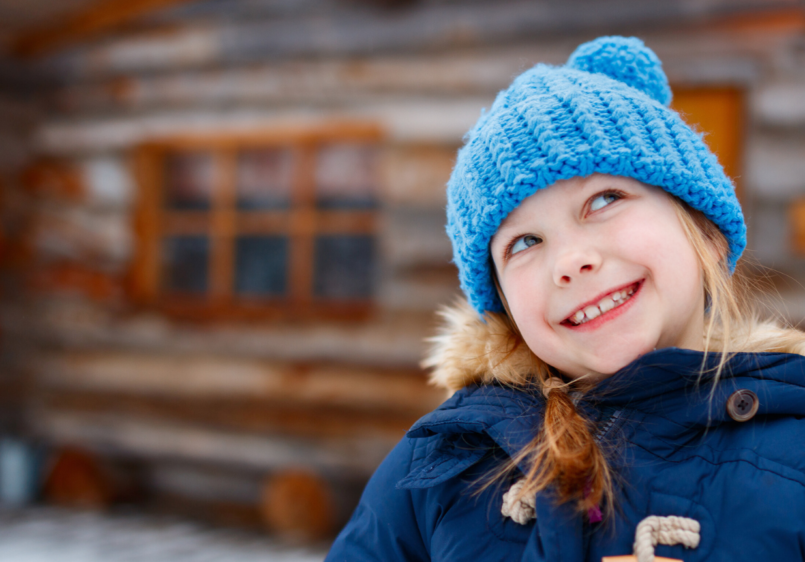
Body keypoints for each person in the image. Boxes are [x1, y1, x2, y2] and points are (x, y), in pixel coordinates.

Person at [324, 36, 805, 562]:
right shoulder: (438, 466)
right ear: (505, 306)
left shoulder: (792, 450)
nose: (571, 261)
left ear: (706, 235)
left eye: (604, 200)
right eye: (525, 243)